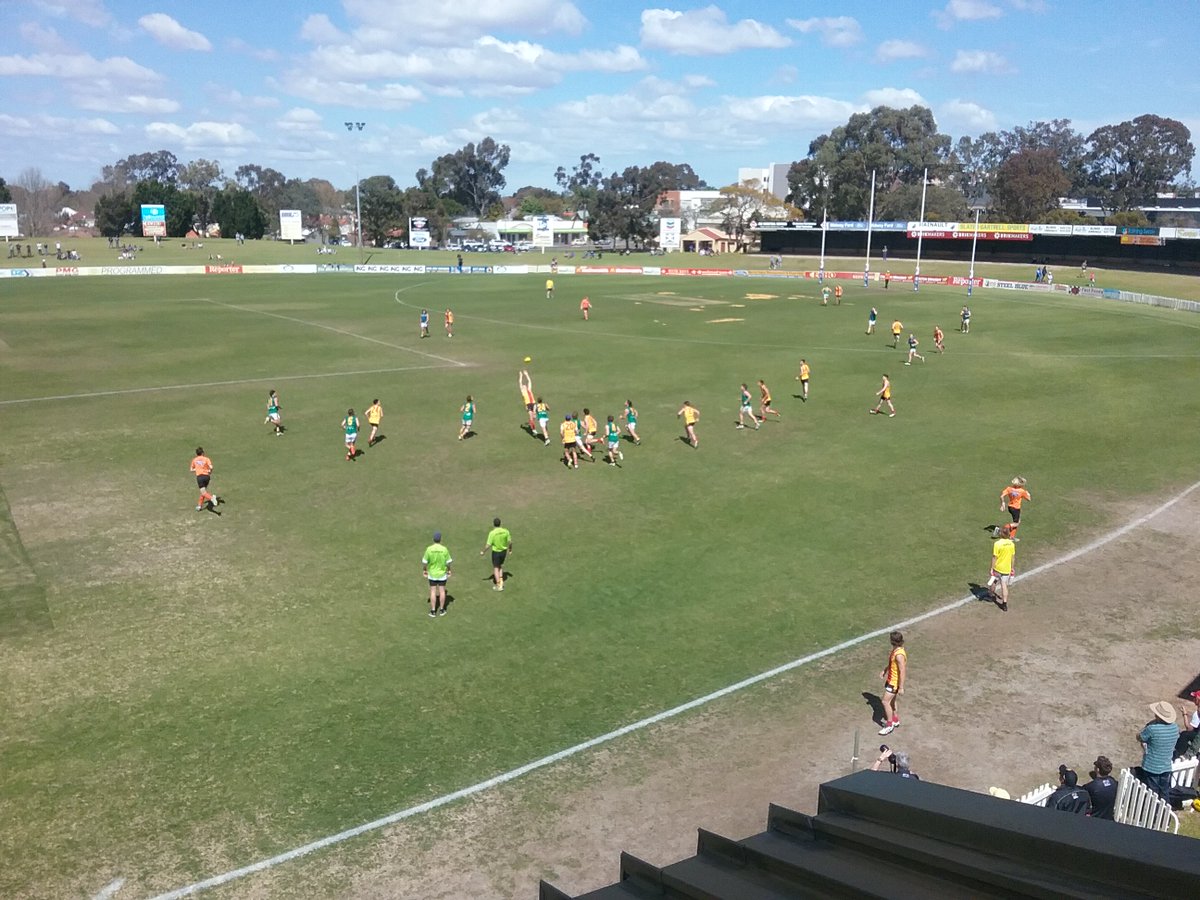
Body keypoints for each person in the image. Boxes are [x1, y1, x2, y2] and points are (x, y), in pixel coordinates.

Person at [1135, 702, 1179, 802]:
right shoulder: (1175, 727)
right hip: (1166, 765)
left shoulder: (1152, 728)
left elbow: (1140, 737)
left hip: (1151, 765)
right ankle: (1164, 812)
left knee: (1152, 792)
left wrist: (1147, 726)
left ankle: (1152, 812)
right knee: (1164, 791)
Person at [878, 630, 906, 735]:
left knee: (885, 702)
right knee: (892, 701)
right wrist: (885, 670)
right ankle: (895, 719)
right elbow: (892, 664)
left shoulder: (899, 655)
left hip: (894, 682)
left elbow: (902, 670)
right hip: (891, 679)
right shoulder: (896, 650)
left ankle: (889, 725)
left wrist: (901, 687)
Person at [986, 523, 1016, 611]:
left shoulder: (997, 544)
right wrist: (1012, 568)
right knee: (1004, 586)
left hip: (998, 568)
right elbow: (1013, 557)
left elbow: (994, 557)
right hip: (1007, 568)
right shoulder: (1011, 544)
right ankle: (1004, 604)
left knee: (994, 581)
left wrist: (992, 568)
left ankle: (991, 595)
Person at [422, 532, 452, 617]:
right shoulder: (444, 549)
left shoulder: (429, 549)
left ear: (433, 539)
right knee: (442, 591)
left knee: (433, 591)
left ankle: (433, 611)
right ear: (440, 539)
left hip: (432, 574)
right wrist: (449, 570)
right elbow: (448, 562)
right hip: (442, 574)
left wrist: (424, 570)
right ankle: (442, 610)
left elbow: (424, 562)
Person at [480, 517, 512, 591]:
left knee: (496, 568)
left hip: (496, 552)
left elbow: (488, 545)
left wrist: (483, 551)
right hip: (503, 551)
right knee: (500, 566)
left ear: (494, 524)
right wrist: (510, 549)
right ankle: (501, 581)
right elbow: (510, 542)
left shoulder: (492, 533)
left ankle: (499, 585)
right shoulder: (506, 531)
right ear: (500, 523)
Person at [190, 446, 220, 512]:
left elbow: (191, 469)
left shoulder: (194, 460)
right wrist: (210, 471)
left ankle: (212, 498)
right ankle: (199, 505)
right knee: (204, 492)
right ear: (202, 453)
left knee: (203, 492)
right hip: (207, 477)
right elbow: (211, 467)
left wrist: (197, 469)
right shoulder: (206, 459)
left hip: (200, 477)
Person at [1176, 690, 1200, 757]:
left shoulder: (1197, 713)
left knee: (1184, 735)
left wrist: (1184, 714)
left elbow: (1188, 728)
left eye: (1194, 698)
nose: (1193, 699)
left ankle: (1179, 754)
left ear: (1198, 699)